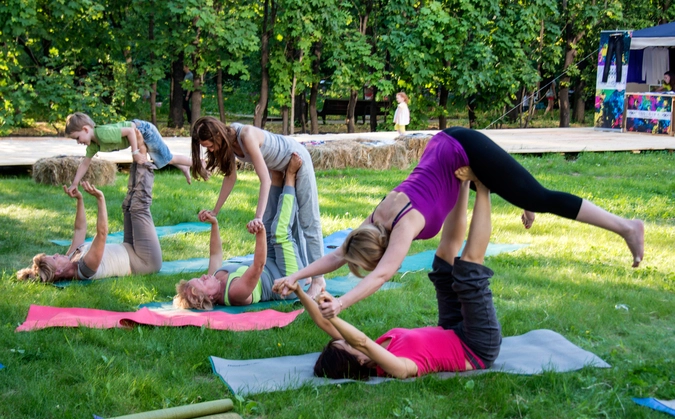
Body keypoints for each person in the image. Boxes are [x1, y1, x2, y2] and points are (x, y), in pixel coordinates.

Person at [274, 127, 645, 319]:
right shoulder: (373, 221)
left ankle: (627, 227)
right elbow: (338, 254)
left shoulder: (403, 226)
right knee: (524, 193)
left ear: (382, 249)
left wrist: (341, 304)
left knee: (541, 198)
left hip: (461, 148)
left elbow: (383, 275)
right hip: (446, 148)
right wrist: (296, 277)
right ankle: (523, 197)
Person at [280, 172, 500, 380]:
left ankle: (463, 183)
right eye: (347, 343)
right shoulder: (397, 367)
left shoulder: (376, 346)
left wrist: (298, 289)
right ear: (357, 361)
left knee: (443, 261)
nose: (347, 338)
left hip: (450, 328)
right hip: (475, 346)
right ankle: (483, 188)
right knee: (468, 271)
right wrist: (335, 314)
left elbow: (325, 324)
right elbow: (361, 341)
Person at [189, 116, 326, 298]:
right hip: (278, 170)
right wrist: (215, 211)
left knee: (308, 221)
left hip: (297, 159)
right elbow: (230, 178)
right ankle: (304, 273)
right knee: (287, 225)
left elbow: (265, 180)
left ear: (218, 135)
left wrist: (258, 217)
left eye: (211, 145)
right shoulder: (228, 143)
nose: (211, 150)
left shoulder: (245, 135)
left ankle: (318, 280)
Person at [173, 153, 307, 309]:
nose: (203, 276)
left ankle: (276, 177)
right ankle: (290, 176)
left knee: (267, 220)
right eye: (202, 281)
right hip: (288, 280)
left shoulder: (215, 278)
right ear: (210, 297)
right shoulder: (235, 293)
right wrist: (260, 232)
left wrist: (214, 224)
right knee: (279, 233)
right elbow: (258, 266)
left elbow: (215, 254)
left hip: (271, 263)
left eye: (199, 277)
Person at [17, 161, 162, 283]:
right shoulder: (85, 268)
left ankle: (138, 159)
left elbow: (79, 229)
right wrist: (100, 199)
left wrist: (80, 200)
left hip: (129, 247)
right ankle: (143, 159)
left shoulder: (71, 256)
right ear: (59, 271)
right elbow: (102, 234)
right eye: (55, 258)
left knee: (128, 207)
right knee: (139, 208)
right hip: (143, 261)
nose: (56, 253)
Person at [65, 112, 198, 189]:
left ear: (86, 129)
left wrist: (135, 153)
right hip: (138, 132)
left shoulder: (102, 134)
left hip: (144, 130)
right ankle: (184, 167)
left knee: (168, 158)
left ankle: (198, 163)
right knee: (162, 159)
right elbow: (85, 164)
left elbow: (130, 131)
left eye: (77, 138)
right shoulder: (93, 145)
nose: (78, 142)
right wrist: (75, 184)